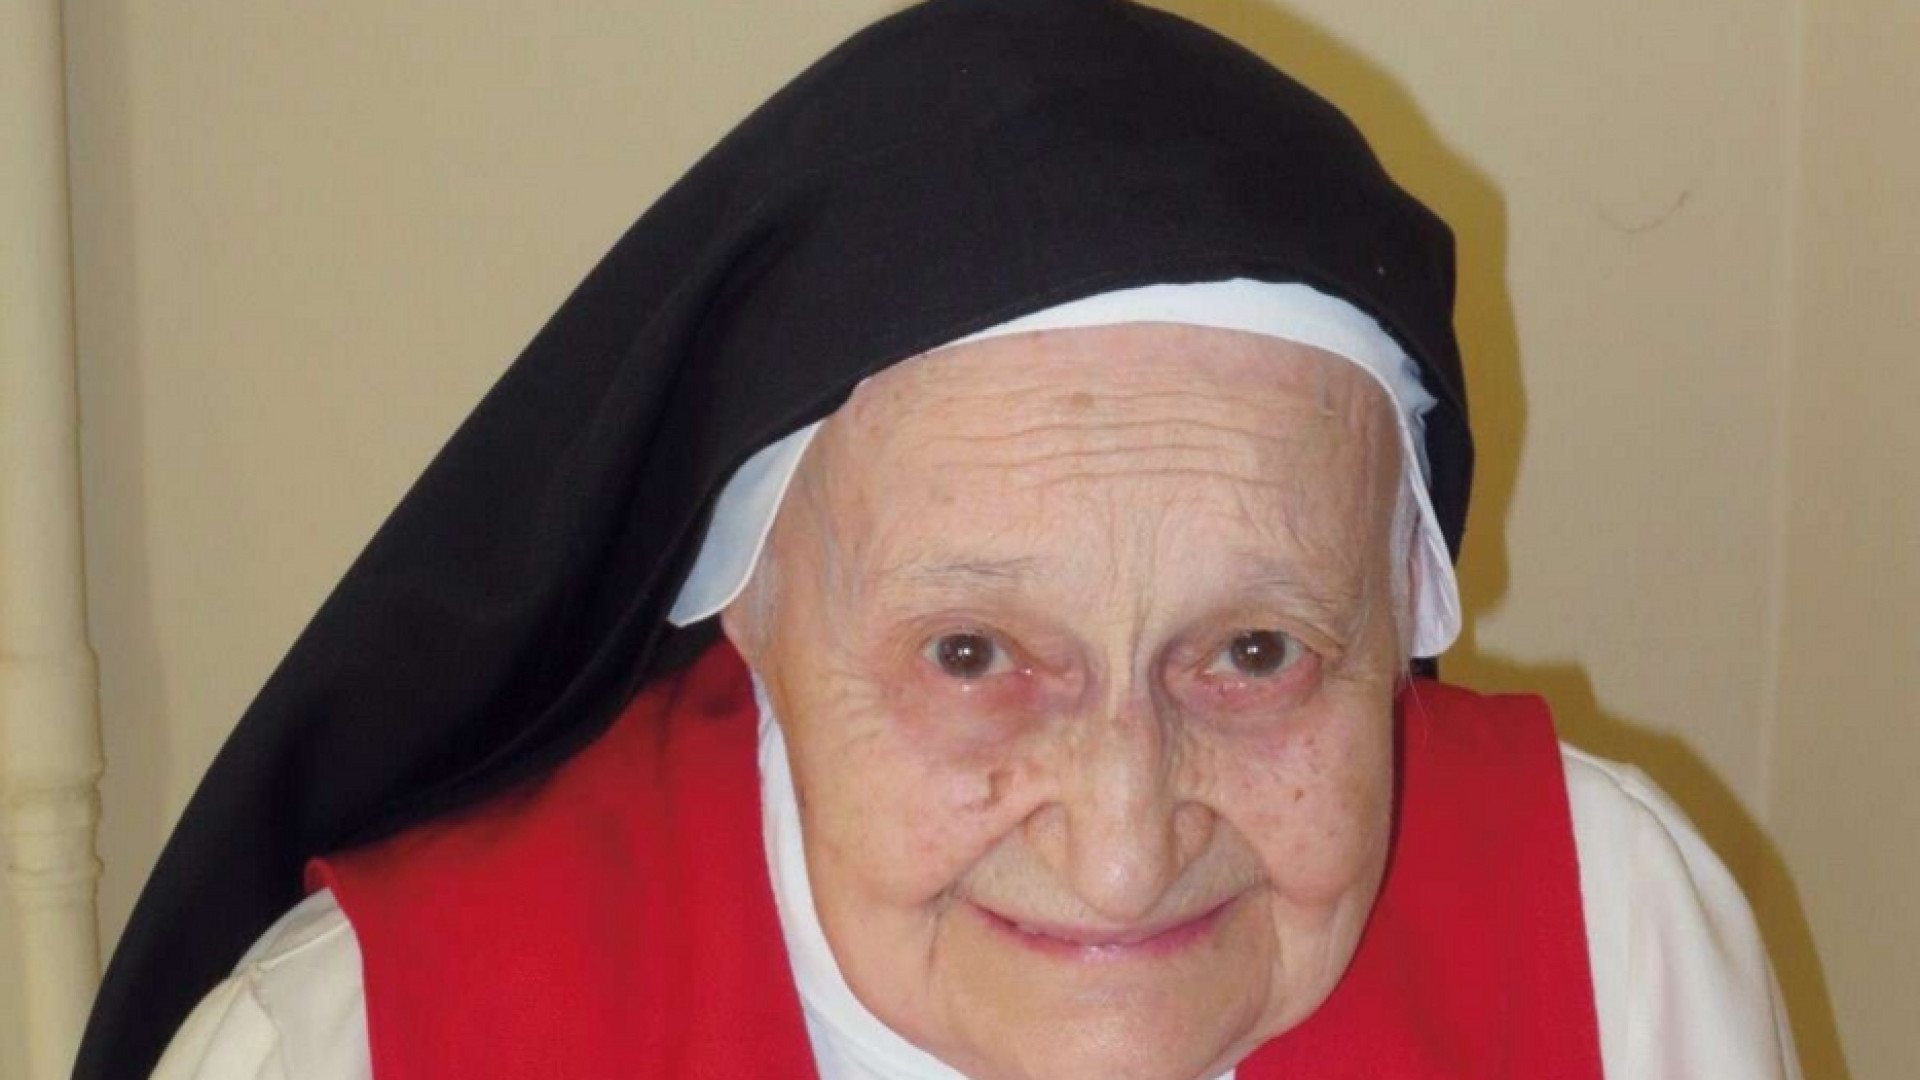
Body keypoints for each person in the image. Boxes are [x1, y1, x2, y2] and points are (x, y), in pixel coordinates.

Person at [77, 1, 1801, 1077]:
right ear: (749, 616)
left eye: (1257, 651)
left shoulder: (1618, 939)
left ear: (1400, 613)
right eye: (972, 654)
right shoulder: (365, 1044)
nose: (1122, 854)